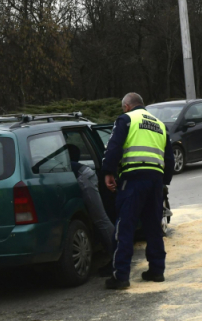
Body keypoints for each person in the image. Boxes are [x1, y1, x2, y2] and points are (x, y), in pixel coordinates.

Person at [101, 93, 173, 290]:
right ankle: (157, 271)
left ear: (126, 106)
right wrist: (164, 182)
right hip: (155, 182)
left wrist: (108, 172)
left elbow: (114, 147)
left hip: (133, 180)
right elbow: (169, 157)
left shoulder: (126, 119)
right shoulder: (159, 124)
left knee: (125, 228)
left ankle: (121, 276)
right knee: (153, 228)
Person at [67, 144, 115, 260]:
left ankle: (117, 255)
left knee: (100, 219)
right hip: (85, 173)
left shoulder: (52, 163)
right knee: (100, 219)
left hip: (84, 176)